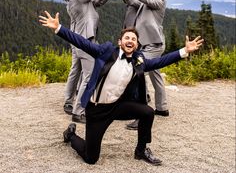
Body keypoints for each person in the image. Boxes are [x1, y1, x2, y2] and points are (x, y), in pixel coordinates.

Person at [39, 10, 203, 166]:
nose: (130, 40)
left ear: (137, 45)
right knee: (91, 158)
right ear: (120, 42)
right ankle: (71, 135)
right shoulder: (106, 51)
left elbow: (160, 62)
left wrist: (184, 51)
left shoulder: (139, 61)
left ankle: (141, 150)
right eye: (127, 38)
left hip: (117, 106)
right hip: (96, 110)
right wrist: (59, 28)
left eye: (133, 39)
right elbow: (83, 43)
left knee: (147, 112)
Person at [61, 0, 123, 123]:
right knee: (88, 77)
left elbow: (98, 0)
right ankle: (78, 111)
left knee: (81, 74)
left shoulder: (82, 1)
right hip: (85, 42)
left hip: (82, 41)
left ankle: (76, 104)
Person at [117, 0, 172, 130]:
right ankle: (162, 108)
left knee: (137, 74)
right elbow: (133, 0)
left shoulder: (159, 0)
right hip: (148, 44)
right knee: (155, 75)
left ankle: (141, 115)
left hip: (153, 46)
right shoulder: (148, 0)